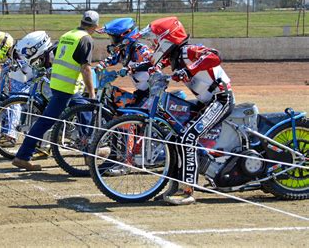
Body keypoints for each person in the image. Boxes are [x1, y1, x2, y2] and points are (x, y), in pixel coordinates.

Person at [146, 16, 234, 205]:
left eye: (156, 38)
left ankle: (189, 191)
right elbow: (156, 65)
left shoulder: (188, 51)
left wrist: (190, 70)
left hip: (221, 99)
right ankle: (175, 185)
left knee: (188, 137)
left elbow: (214, 55)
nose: (153, 43)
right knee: (177, 137)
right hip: (206, 102)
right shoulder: (174, 56)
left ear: (167, 38)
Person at [12, 10, 99, 171]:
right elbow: (86, 68)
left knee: (84, 113)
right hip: (67, 88)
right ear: (94, 26)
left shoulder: (68, 35)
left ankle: (88, 153)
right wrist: (92, 93)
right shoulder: (86, 39)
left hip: (59, 84)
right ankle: (22, 156)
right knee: (48, 120)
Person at [0, 30, 56, 152]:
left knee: (14, 101)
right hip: (29, 84)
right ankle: (5, 132)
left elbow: (31, 71)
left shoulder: (21, 52)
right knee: (7, 100)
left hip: (36, 83)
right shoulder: (13, 55)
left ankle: (11, 135)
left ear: (4, 46)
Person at [96, 17, 154, 108]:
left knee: (129, 117)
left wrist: (132, 68)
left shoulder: (140, 49)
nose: (112, 42)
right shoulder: (123, 50)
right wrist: (101, 65)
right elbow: (113, 58)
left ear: (125, 37)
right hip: (140, 92)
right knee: (111, 94)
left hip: (152, 95)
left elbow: (152, 62)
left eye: (114, 39)